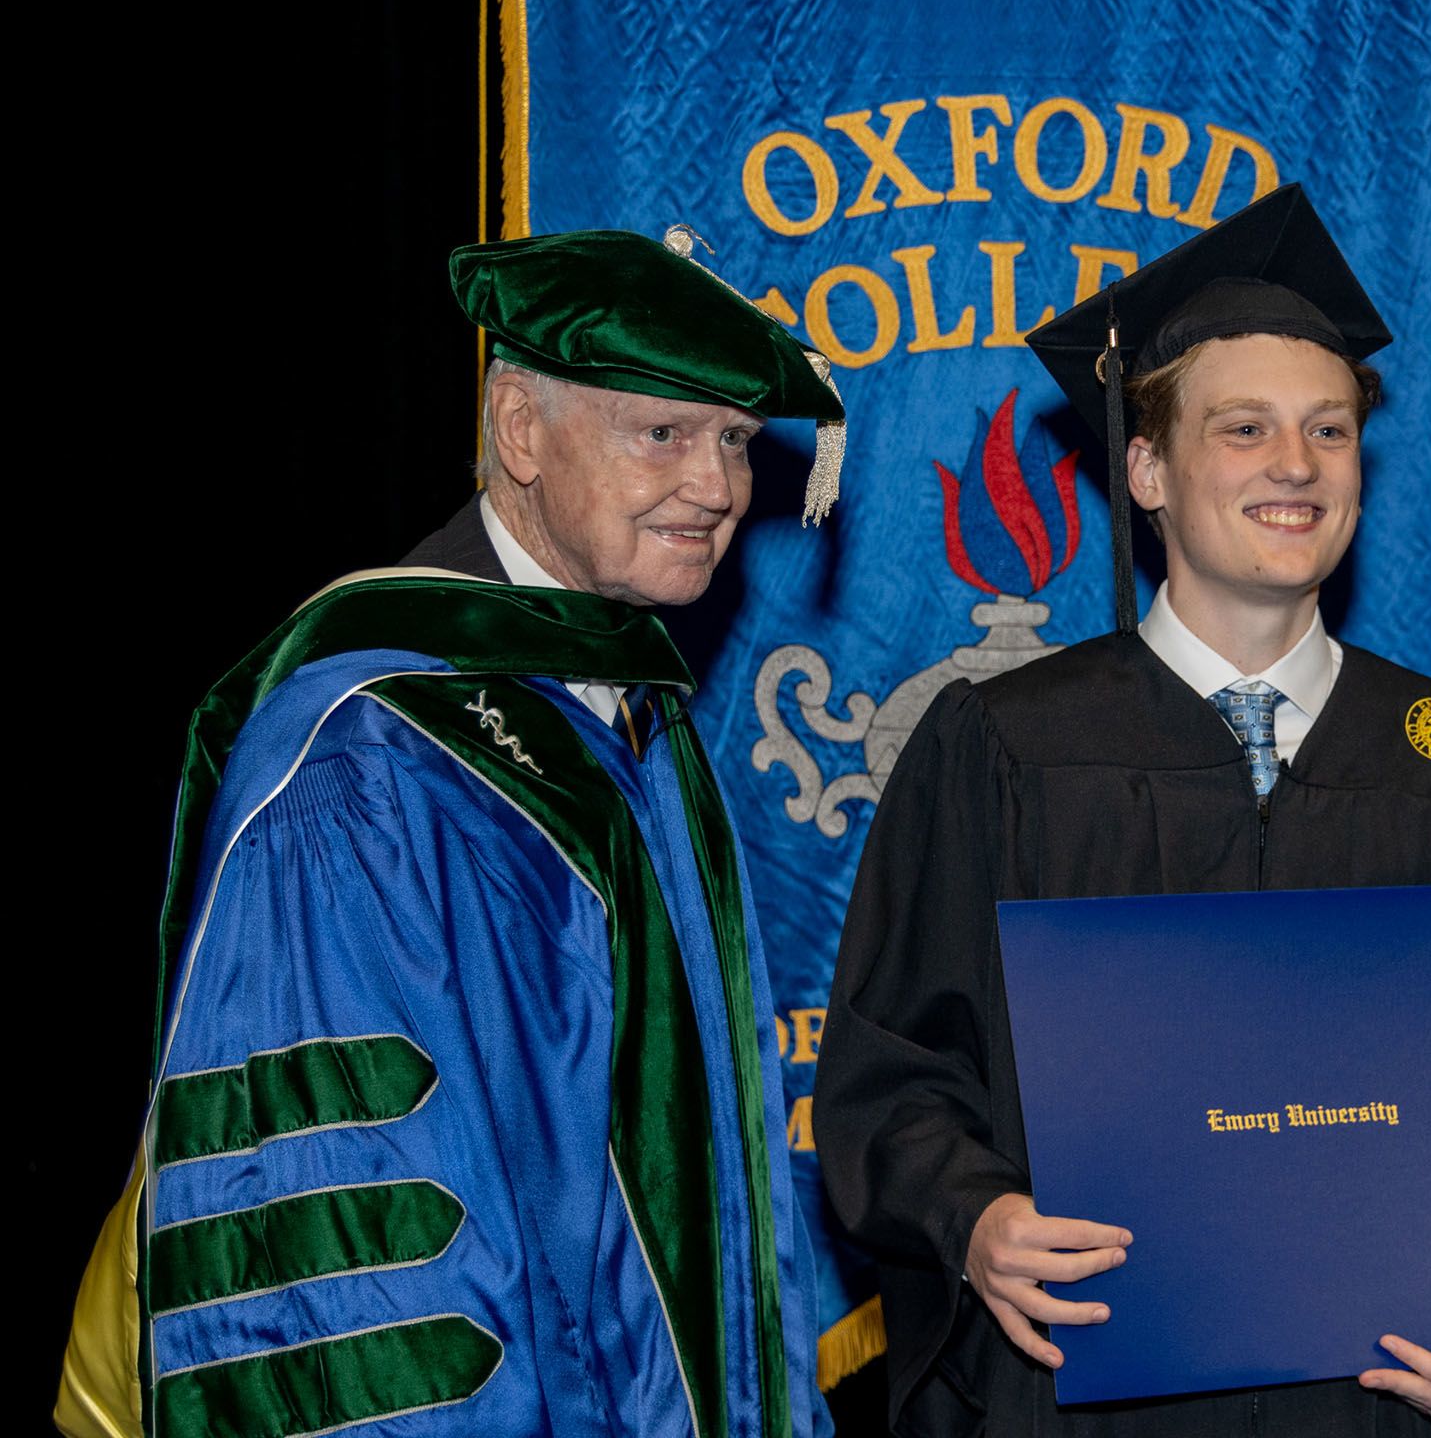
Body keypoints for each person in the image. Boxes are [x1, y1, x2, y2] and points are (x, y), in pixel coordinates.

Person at [57, 228, 848, 1438]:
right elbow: (357, 1266)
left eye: (736, 439)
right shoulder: (366, 760)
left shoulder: (632, 716)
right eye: (663, 433)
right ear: (521, 430)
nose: (717, 486)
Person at [813, 184, 1431, 1435]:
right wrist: (974, 1220)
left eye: (1328, 430)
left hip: (1374, 1395)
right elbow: (892, 1071)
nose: (1295, 465)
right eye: (1243, 428)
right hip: (1083, 1383)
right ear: (1145, 467)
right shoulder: (1005, 743)